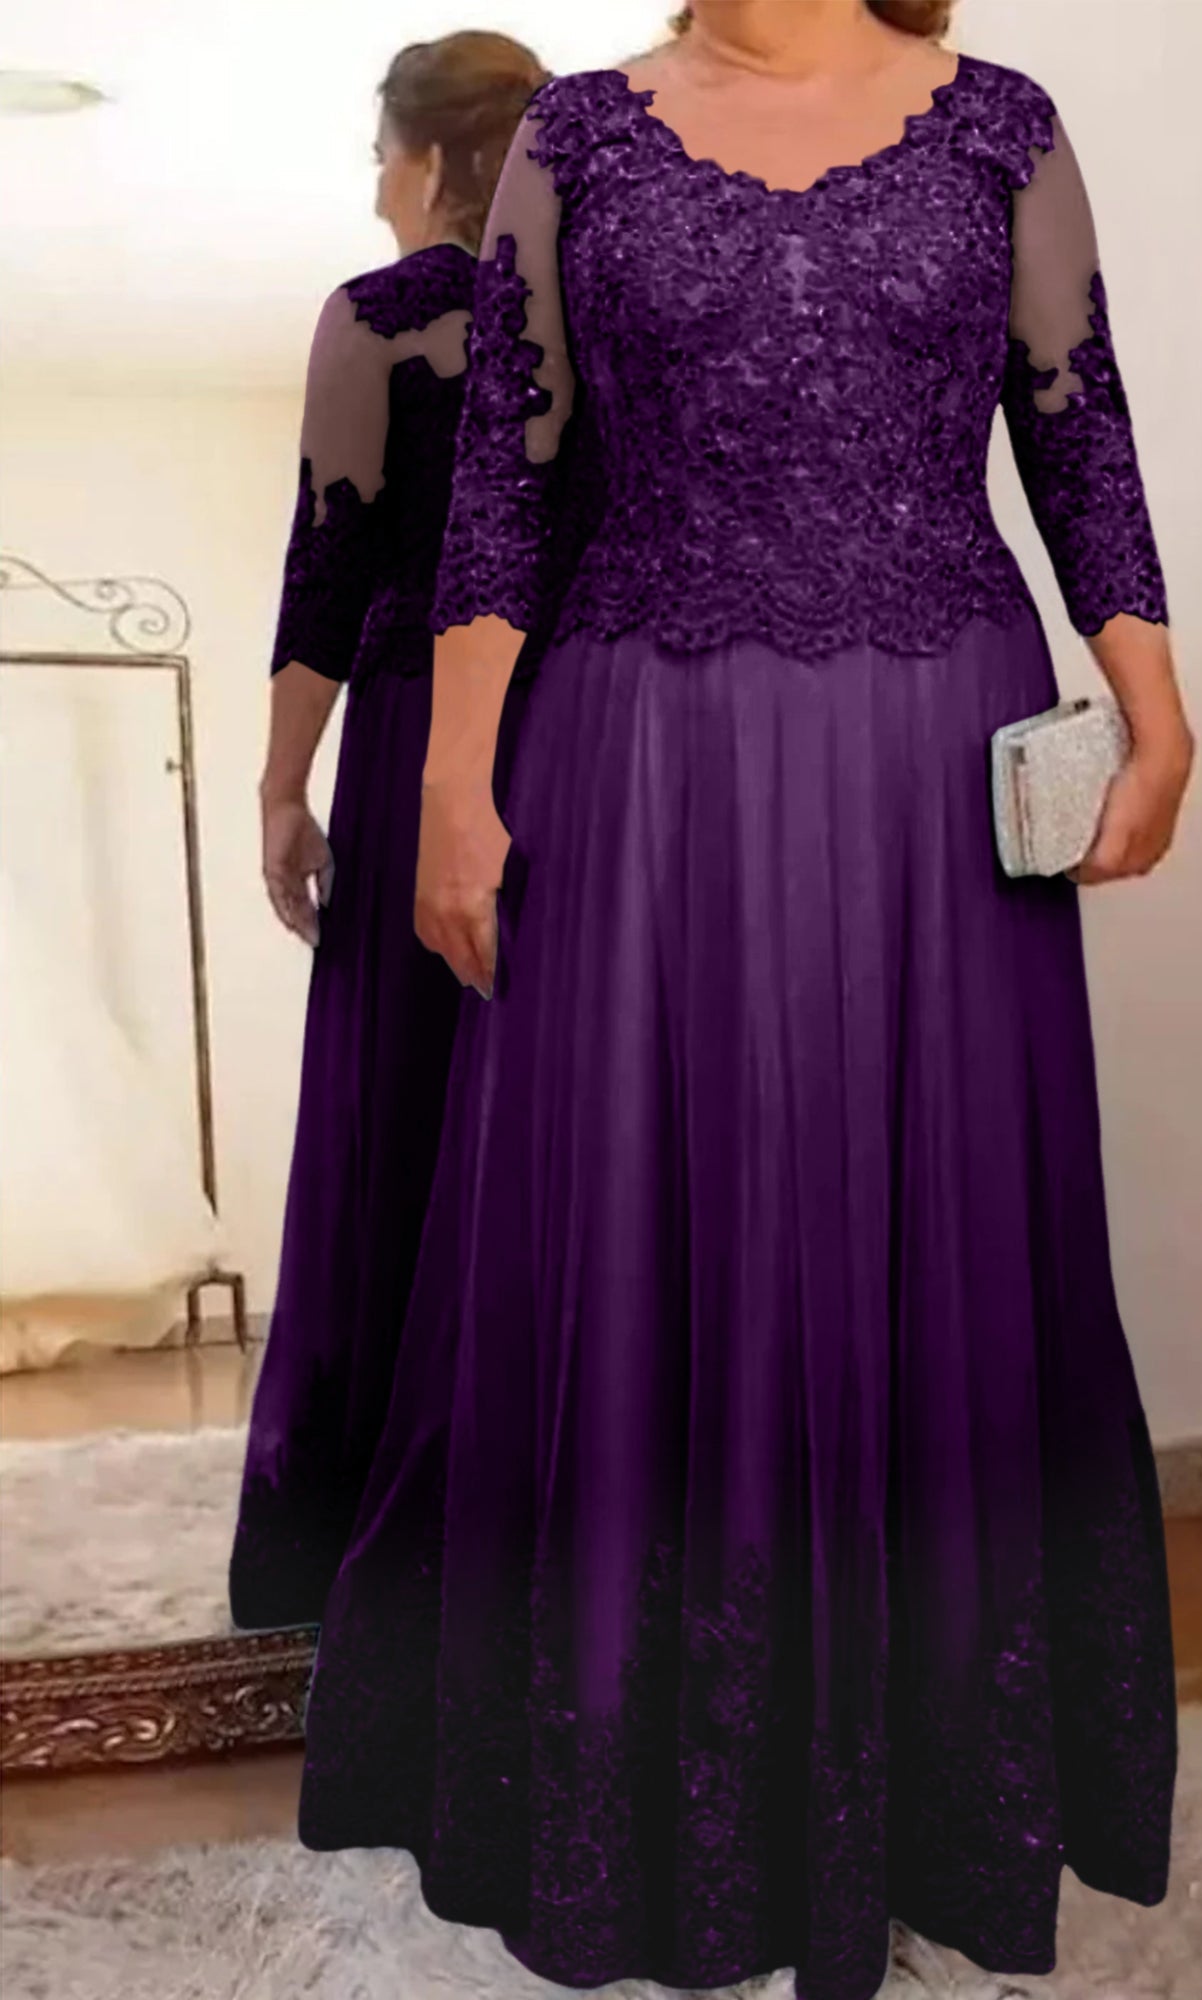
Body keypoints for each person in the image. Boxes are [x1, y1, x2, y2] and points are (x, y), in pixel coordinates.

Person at [299, 1, 1193, 1990]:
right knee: (635, 1226)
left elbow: (1081, 427)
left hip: (931, 753)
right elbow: (504, 483)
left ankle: (930, 1796)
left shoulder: (1000, 124)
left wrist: (1157, 700)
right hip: (638, 748)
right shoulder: (582, 139)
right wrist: (452, 778)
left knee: (935, 1229)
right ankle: (640, 1808)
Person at [228, 30, 549, 1631]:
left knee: (399, 1099)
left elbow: (328, 562)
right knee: (554, 1109)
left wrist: (280, 787)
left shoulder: (379, 315)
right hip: (583, 744)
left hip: (426, 731)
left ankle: (366, 1528)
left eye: (378, 156)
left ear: (424, 160)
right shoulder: (596, 316)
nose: (372, 188)